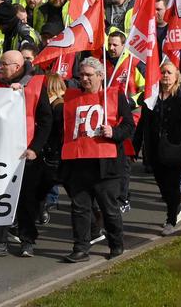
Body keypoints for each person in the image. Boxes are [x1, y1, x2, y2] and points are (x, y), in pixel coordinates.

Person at [60, 58, 134, 263]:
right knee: (80, 208)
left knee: (108, 208)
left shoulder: (114, 96)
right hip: (79, 162)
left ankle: (116, 245)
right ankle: (81, 247)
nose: (84, 79)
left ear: (100, 76)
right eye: (81, 75)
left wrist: (114, 132)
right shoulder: (71, 99)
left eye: (89, 75)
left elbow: (129, 126)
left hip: (106, 164)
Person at [0, 52, 52, 258]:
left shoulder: (37, 84)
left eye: (4, 64)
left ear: (17, 67)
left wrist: (35, 149)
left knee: (26, 200)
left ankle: (27, 240)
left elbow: (46, 121)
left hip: (25, 154)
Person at [143, 61, 181, 235]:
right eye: (162, 72)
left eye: (169, 72)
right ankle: (174, 208)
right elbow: (144, 123)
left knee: (173, 184)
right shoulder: (152, 95)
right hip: (155, 148)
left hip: (177, 148)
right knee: (162, 185)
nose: (165, 75)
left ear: (177, 76)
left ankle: (170, 219)